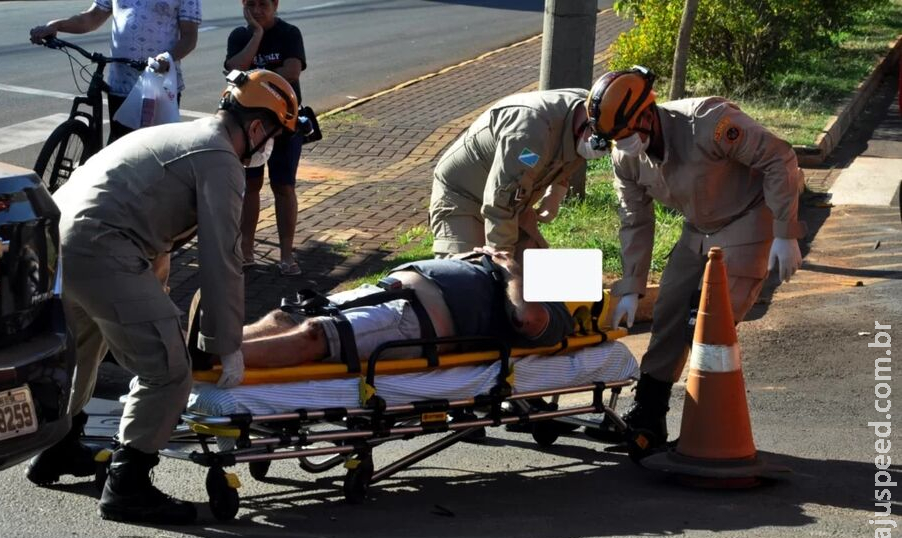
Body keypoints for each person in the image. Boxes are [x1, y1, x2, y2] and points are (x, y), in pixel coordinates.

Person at [25, 70, 299, 525]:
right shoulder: (220, 160)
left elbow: (155, 231)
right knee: (169, 372)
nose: (268, 146)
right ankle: (128, 486)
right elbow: (222, 259)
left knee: (83, 349)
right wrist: (225, 344)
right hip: (102, 247)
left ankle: (57, 447)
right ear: (256, 128)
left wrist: (155, 293)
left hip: (59, 242)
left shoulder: (182, 134)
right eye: (272, 134)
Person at [588, 66, 805, 447]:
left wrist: (785, 234)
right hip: (698, 229)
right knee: (670, 309)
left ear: (645, 114)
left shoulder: (708, 122)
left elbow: (779, 159)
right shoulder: (626, 156)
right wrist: (631, 286)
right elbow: (634, 219)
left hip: (749, 217)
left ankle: (711, 429)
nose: (622, 145)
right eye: (614, 139)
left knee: (711, 325)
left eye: (625, 134)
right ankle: (649, 414)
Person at [191, 249, 574, 370]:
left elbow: (528, 319)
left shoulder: (552, 309)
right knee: (285, 317)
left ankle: (212, 359)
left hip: (414, 321)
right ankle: (205, 345)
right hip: (387, 292)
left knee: (316, 335)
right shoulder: (503, 273)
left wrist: (512, 273)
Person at [429, 88, 607, 262]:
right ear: (589, 122)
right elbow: (500, 202)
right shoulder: (529, 133)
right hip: (463, 197)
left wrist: (555, 192)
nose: (604, 150)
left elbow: (565, 151)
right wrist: (502, 260)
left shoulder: (592, 108)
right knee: (468, 278)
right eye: (602, 142)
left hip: (513, 201)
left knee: (545, 281)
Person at [29, 0, 202, 143]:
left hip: (158, 85)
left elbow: (189, 38)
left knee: (156, 149)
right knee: (120, 144)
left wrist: (167, 58)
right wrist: (57, 25)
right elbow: (91, 18)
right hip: (121, 83)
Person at [225, 0, 306, 273]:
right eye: (251, 4)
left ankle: (286, 255)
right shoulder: (239, 35)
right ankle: (246, 251)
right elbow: (233, 70)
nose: (257, 10)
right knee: (250, 187)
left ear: (275, 5)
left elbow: (292, 71)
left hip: (283, 123)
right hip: (247, 127)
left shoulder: (289, 33)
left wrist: (251, 78)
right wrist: (256, 35)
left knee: (283, 187)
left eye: (263, 4)